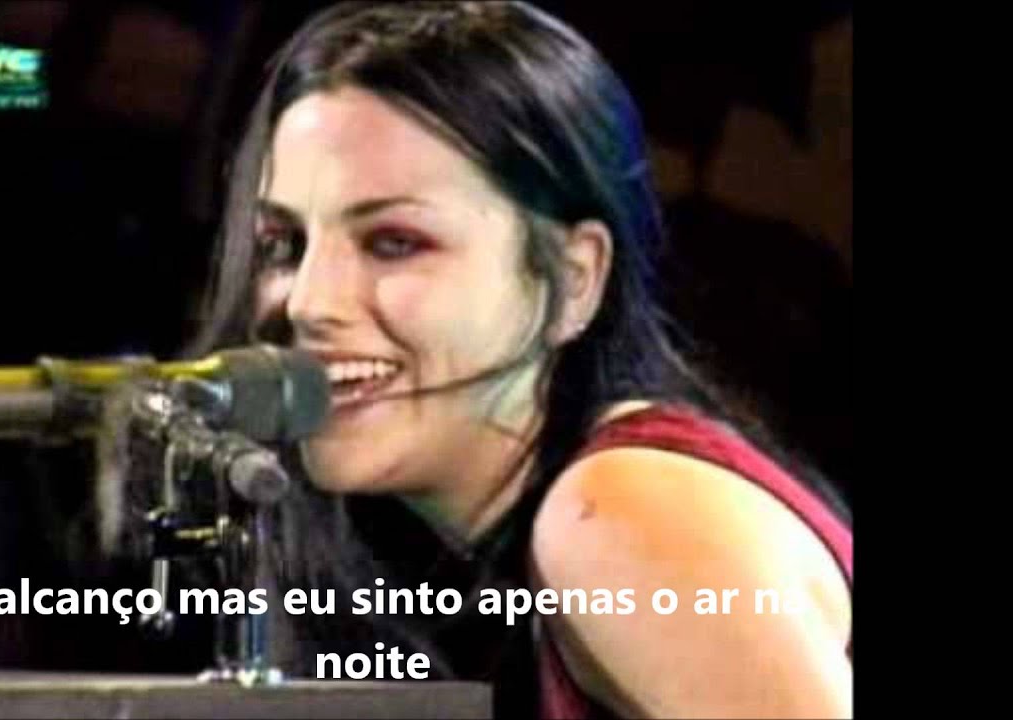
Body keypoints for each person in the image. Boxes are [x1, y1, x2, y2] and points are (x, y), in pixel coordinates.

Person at [186, 2, 851, 718]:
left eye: (395, 243)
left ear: (574, 280)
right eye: (284, 246)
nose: (309, 303)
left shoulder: (614, 514)